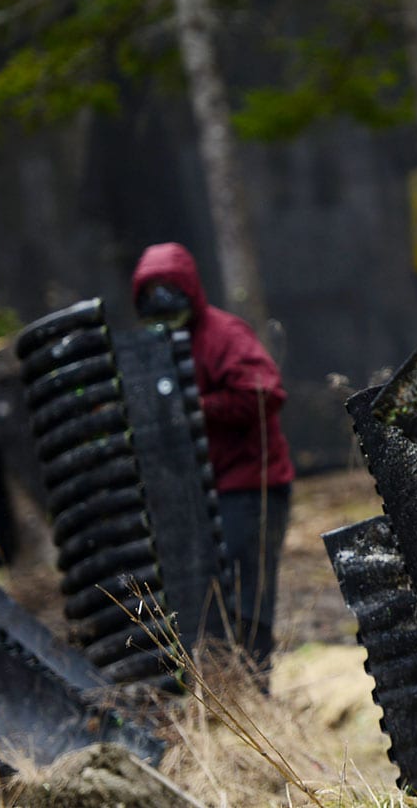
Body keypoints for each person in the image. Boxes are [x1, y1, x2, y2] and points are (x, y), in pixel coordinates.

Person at [131, 241, 295, 674]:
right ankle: (224, 690)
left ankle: (255, 692)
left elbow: (265, 393)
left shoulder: (225, 335)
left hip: (251, 485)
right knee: (207, 597)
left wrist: (197, 408)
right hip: (203, 492)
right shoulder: (156, 348)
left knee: (248, 594)